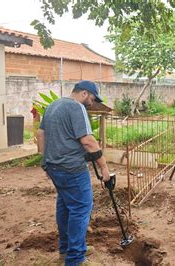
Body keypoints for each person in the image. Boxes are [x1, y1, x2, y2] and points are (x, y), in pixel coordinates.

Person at [36, 80, 111, 266]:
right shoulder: (76, 107)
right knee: (80, 209)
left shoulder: (53, 105)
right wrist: (104, 166)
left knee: (65, 207)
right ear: (84, 93)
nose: (92, 103)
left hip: (55, 168)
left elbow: (40, 135)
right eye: (92, 98)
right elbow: (88, 141)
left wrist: (45, 161)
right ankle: (75, 259)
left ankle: (66, 251)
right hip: (72, 170)